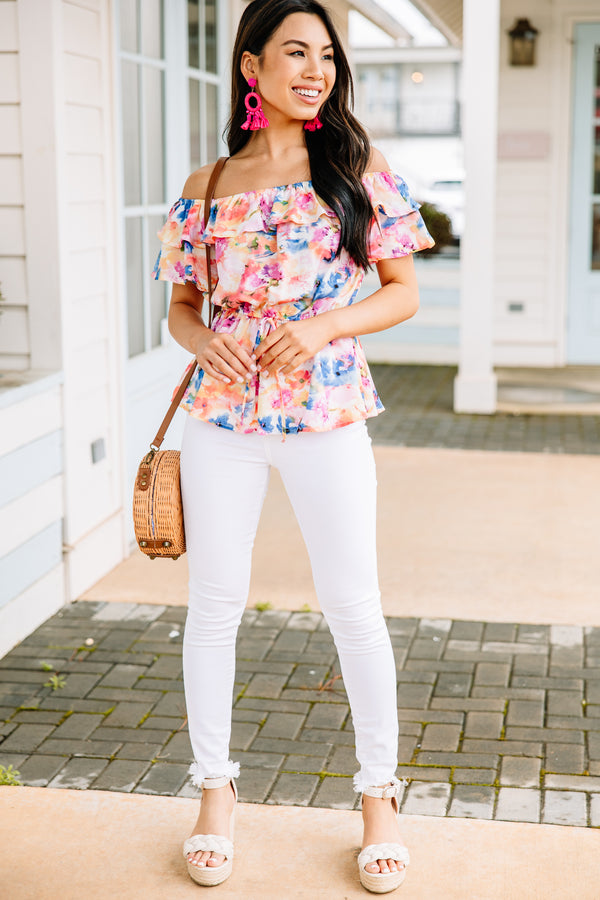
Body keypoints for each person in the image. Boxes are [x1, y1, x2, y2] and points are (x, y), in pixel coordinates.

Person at [153, 0, 433, 892]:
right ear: (251, 67)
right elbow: (181, 312)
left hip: (327, 413)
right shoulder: (206, 185)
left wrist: (323, 328)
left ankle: (380, 800)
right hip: (222, 421)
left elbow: (402, 293)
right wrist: (208, 343)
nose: (316, 70)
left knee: (354, 605)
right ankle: (214, 795)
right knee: (214, 606)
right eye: (296, 53)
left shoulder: (355, 166)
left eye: (326, 57)